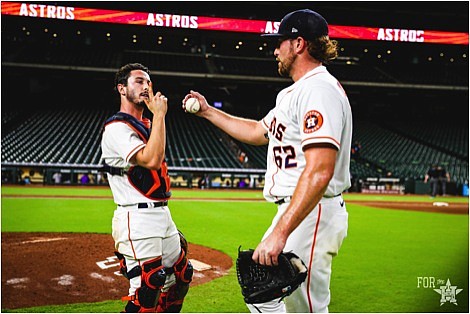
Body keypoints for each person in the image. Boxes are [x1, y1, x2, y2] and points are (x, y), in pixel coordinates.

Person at [182, 9, 351, 313]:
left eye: (280, 42)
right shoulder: (293, 93)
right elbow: (257, 131)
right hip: (300, 211)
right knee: (262, 291)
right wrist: (209, 111)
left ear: (298, 44)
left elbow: (320, 170)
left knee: (301, 306)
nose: (275, 49)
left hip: (313, 211)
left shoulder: (319, 90)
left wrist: (280, 232)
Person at [101, 63, 192, 313]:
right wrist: (160, 115)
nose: (146, 87)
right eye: (139, 81)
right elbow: (151, 160)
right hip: (136, 216)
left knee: (181, 276)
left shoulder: (147, 126)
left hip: (161, 214)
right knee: (148, 287)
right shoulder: (116, 128)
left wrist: (156, 120)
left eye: (148, 82)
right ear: (122, 88)